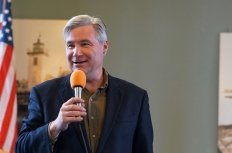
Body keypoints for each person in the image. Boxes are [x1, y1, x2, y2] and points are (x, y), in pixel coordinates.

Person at [16, 15, 154, 153]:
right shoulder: (43, 94)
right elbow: (21, 148)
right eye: (70, 45)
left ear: (104, 47)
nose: (76, 52)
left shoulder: (135, 97)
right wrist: (54, 127)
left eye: (85, 44)